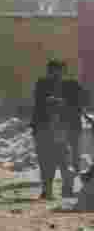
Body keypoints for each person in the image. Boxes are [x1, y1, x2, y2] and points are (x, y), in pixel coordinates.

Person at [32, 60, 75, 199]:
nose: (57, 74)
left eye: (59, 71)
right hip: (47, 128)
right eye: (54, 71)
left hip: (55, 128)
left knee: (59, 160)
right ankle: (50, 190)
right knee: (50, 161)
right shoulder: (43, 84)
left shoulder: (67, 86)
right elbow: (41, 102)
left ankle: (63, 190)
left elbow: (75, 104)